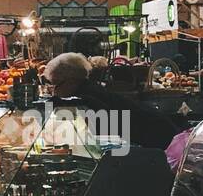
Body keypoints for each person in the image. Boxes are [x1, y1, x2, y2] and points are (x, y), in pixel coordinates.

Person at [42, 51, 180, 152]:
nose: (53, 90)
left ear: (71, 81)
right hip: (155, 138)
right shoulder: (91, 89)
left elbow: (102, 124)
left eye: (55, 84)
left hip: (157, 141)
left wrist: (56, 102)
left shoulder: (88, 96)